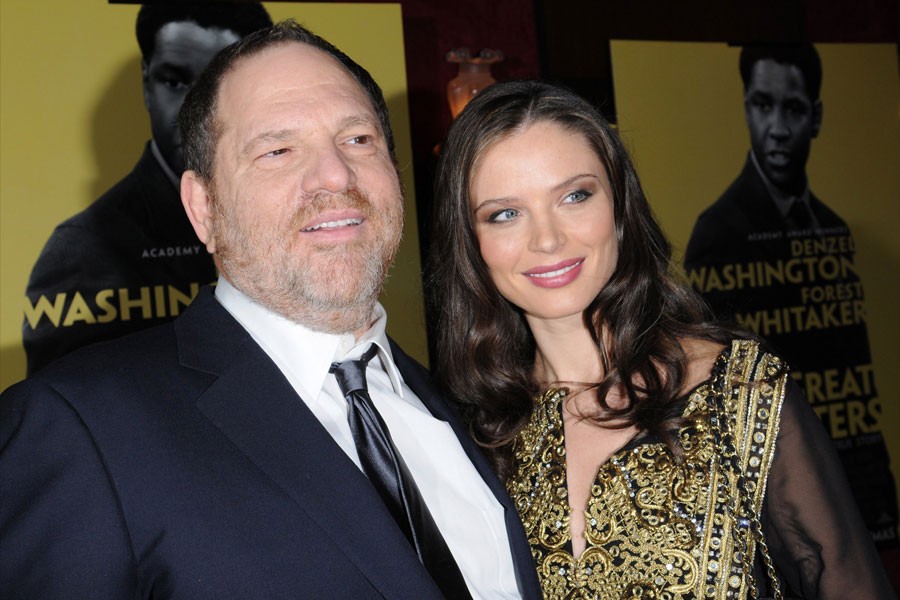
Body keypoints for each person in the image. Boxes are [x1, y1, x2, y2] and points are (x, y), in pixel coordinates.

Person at [0, 21, 542, 599]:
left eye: (358, 139)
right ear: (203, 208)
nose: (335, 174)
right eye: (278, 150)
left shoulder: (465, 408)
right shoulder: (81, 429)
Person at [427, 80, 894, 598]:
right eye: (505, 214)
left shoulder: (738, 391)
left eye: (574, 196)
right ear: (470, 240)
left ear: (619, 205)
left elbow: (848, 583)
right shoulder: (473, 437)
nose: (548, 239)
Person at [684, 44, 898, 550]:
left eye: (794, 109)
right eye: (763, 105)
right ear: (745, 108)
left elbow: (858, 375)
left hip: (851, 476)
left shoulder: (833, 229)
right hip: (767, 493)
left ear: (816, 118)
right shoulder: (716, 233)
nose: (777, 128)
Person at [22, 3, 272, 375]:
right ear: (146, 84)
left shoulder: (303, 210)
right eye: (174, 81)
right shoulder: (83, 250)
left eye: (216, 86)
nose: (191, 111)